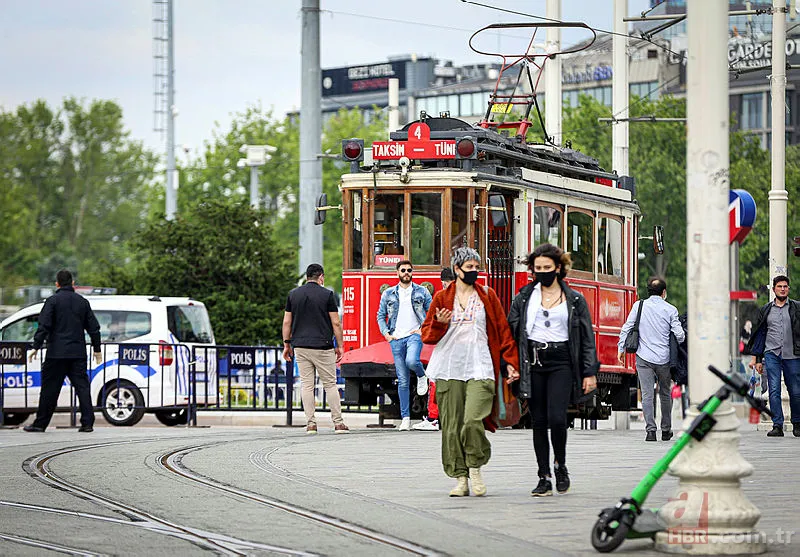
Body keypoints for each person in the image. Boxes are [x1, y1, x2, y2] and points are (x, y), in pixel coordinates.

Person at [421, 247, 519, 497]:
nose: (474, 271)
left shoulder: (487, 295)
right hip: (448, 367)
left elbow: (503, 330)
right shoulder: (442, 298)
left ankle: (475, 466)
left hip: (481, 365)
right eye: (470, 268)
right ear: (457, 270)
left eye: (477, 267)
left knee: (472, 420)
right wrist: (439, 324)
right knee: (452, 426)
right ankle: (460, 477)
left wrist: (510, 362)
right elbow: (427, 336)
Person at [508, 243, 598, 497]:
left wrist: (589, 371)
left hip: (562, 360)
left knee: (558, 418)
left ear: (558, 268)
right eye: (537, 269)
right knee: (538, 421)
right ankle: (543, 475)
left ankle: (560, 465)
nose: (543, 272)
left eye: (547, 268)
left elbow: (587, 338)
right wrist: (510, 364)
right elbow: (511, 331)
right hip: (533, 361)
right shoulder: (525, 297)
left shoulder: (574, 299)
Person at [24, 269, 102, 433]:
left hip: (56, 353)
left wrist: (35, 346)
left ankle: (40, 424)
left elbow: (44, 326)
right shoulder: (82, 302)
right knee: (82, 388)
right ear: (73, 283)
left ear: (57, 284)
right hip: (77, 353)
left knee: (49, 389)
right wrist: (97, 349)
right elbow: (94, 328)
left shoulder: (52, 301)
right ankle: (87, 423)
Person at [282, 264, 349, 435]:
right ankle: (338, 423)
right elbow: (336, 322)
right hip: (323, 346)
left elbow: (287, 322)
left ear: (306, 277)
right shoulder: (327, 295)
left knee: (307, 385)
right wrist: (340, 346)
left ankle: (311, 424)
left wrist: (286, 344)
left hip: (301, 347)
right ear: (321, 277)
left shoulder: (293, 295)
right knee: (330, 385)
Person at [617, 277, 685, 442]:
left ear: (648, 291)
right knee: (665, 394)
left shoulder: (638, 306)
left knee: (647, 395)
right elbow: (680, 336)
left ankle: (650, 431)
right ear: (664, 292)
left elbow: (627, 327)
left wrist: (621, 348)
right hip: (664, 359)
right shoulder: (671, 310)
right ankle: (666, 430)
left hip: (643, 358)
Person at [377, 260, 432, 431]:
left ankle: (422, 376)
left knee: (412, 361)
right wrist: (387, 334)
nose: (406, 273)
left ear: (412, 272)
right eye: (403, 270)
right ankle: (405, 418)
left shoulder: (422, 291)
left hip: (414, 335)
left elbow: (431, 312)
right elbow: (381, 315)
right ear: (397, 273)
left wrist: (423, 330)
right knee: (402, 381)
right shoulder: (388, 293)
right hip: (396, 339)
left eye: (409, 270)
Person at [744, 275, 800, 438]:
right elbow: (760, 335)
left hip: (793, 355)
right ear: (774, 289)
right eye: (779, 286)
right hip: (772, 354)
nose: (783, 289)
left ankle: (797, 423)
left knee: (795, 391)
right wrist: (757, 359)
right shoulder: (766, 310)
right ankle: (777, 425)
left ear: (788, 289)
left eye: (785, 286)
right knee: (773, 390)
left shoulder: (796, 308)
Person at [412, 268, 456, 432]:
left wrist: (423, 331)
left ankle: (433, 418)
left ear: (443, 281)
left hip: (445, 345)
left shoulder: (442, 297)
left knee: (434, 378)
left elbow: (432, 323)